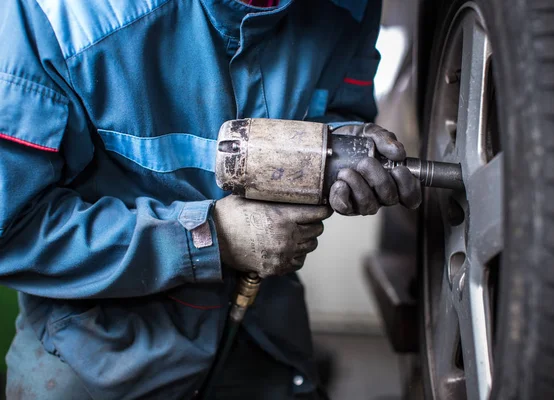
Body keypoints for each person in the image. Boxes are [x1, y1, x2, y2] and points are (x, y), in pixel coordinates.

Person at [0, 0, 421, 398]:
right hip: (98, 357)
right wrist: (211, 237)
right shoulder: (57, 17)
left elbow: (338, 102)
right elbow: (11, 230)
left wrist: (335, 145)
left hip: (266, 336)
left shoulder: (349, 6)